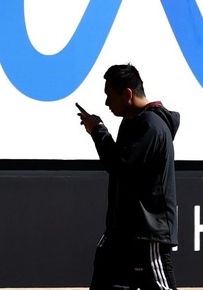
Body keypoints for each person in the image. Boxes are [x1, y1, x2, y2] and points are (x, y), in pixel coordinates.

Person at [77, 63, 181, 290]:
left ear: (128, 94)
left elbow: (120, 165)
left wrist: (98, 131)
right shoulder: (132, 122)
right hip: (121, 234)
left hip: (147, 236)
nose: (106, 103)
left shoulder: (151, 127)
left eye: (110, 96)